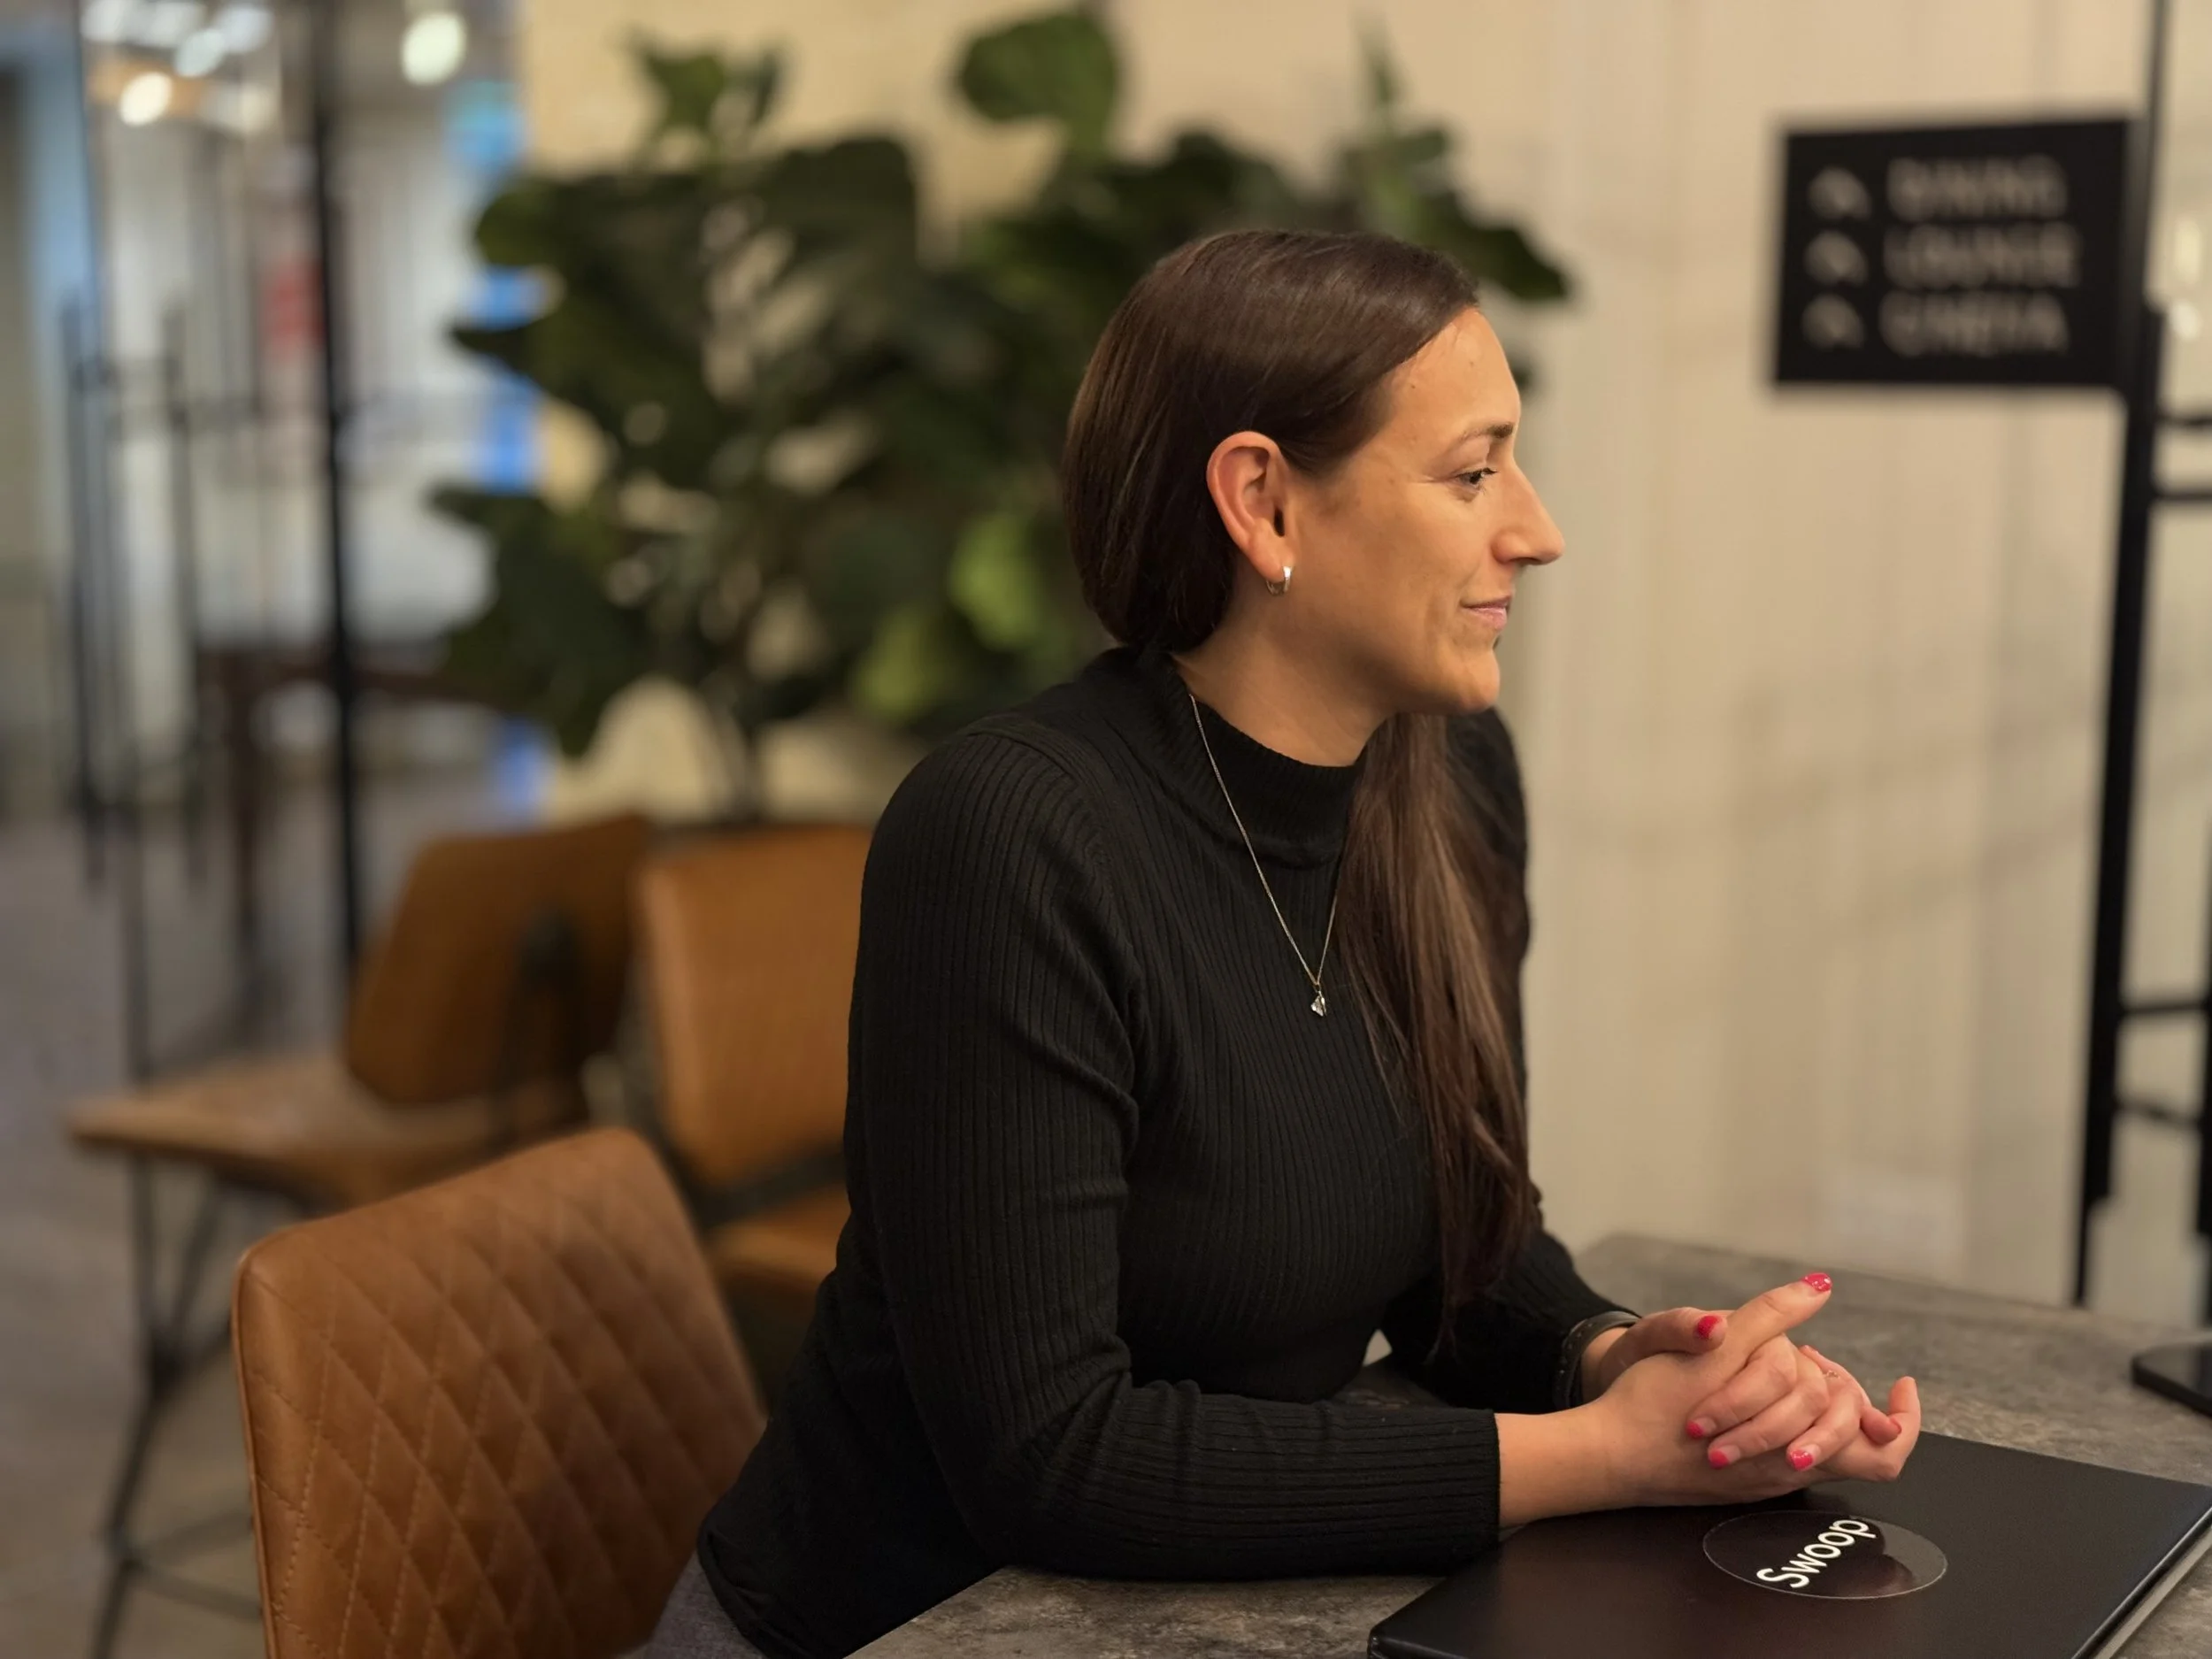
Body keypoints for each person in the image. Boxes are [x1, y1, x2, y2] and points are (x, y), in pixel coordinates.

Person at [646, 227, 1922, 1659]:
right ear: (1262, 503)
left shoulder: (1450, 781)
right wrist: (1601, 1456)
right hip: (896, 1627)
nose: (1537, 529)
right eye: (1473, 473)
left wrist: (1634, 1364)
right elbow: (1054, 1454)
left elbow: (1465, 1253)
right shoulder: (1011, 836)